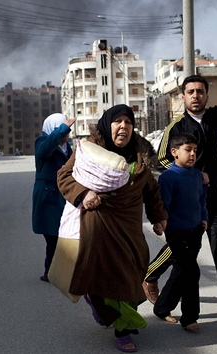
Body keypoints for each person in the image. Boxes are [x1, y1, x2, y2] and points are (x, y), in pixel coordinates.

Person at [144, 65, 217, 317]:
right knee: (183, 247)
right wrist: (192, 174)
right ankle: (150, 275)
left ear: (207, 96)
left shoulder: (212, 118)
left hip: (213, 196)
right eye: (190, 91)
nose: (195, 95)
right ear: (183, 97)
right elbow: (161, 160)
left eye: (200, 91)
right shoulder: (175, 127)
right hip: (186, 198)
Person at [57, 104, 168, 353]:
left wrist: (159, 217)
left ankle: (112, 313)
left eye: (128, 122)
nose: (123, 127)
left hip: (129, 229)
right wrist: (83, 194)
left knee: (133, 274)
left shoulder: (140, 157)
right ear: (108, 125)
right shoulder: (88, 151)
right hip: (98, 226)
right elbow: (64, 176)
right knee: (107, 276)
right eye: (118, 121)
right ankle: (124, 330)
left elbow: (151, 190)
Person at [152, 133, 207, 332]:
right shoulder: (168, 178)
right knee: (192, 271)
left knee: (181, 271)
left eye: (195, 150)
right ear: (174, 152)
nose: (192, 154)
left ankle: (162, 307)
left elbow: (201, 200)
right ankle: (190, 317)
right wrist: (159, 223)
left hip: (195, 231)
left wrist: (204, 218)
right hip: (176, 233)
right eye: (188, 150)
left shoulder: (197, 175)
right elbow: (162, 205)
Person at [32, 113, 75, 282]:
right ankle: (51, 272)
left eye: (67, 133)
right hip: (48, 198)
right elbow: (48, 146)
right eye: (62, 132)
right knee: (53, 237)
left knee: (62, 236)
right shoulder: (42, 143)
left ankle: (53, 271)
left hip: (63, 196)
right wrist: (62, 129)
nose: (65, 137)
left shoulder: (67, 147)